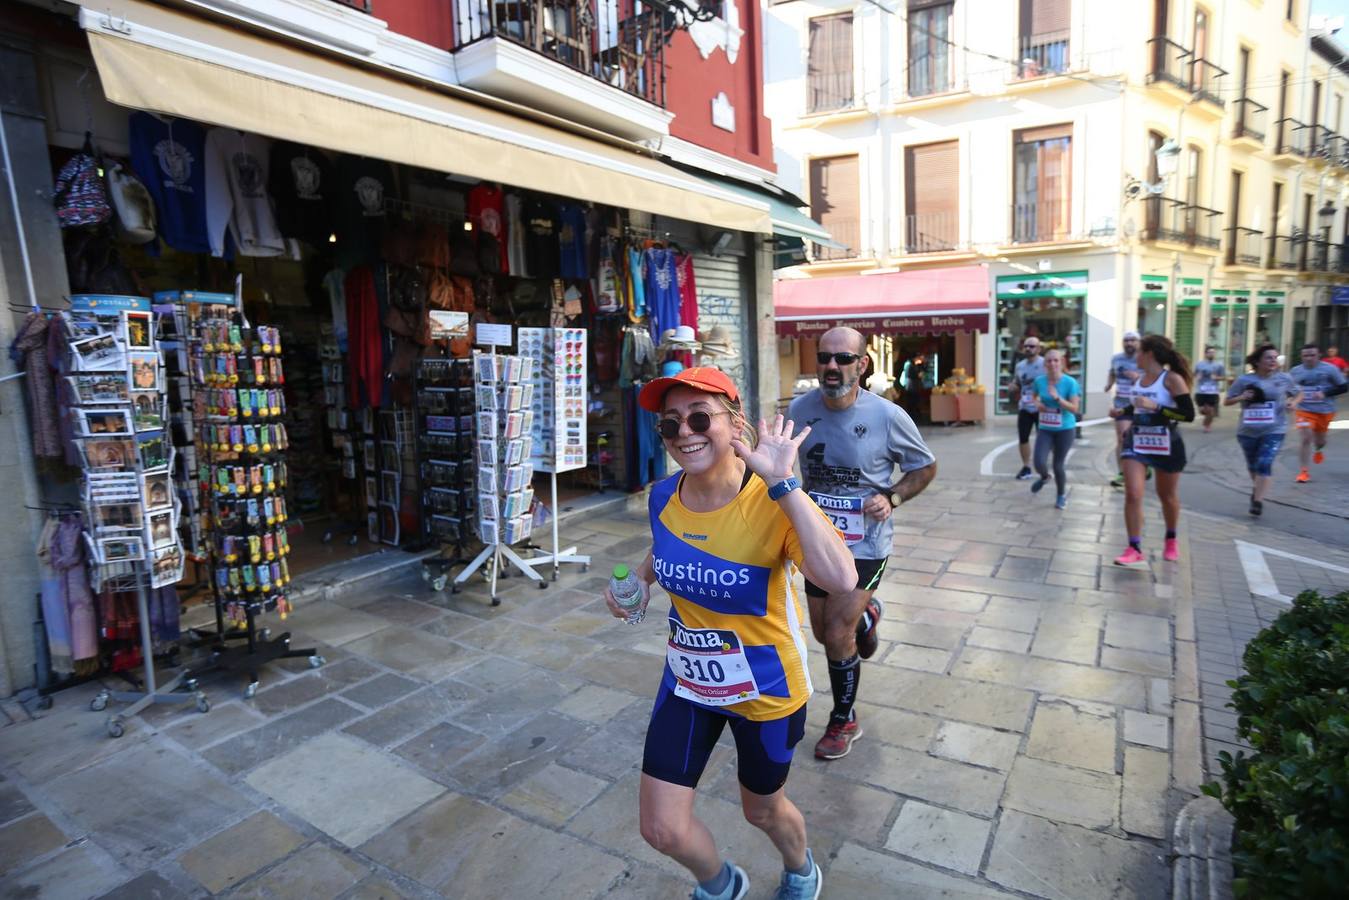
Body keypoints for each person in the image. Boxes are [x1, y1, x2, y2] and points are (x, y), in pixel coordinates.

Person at [605, 366, 855, 900]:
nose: (685, 433)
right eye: (670, 425)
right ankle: (720, 885)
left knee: (761, 809)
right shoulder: (663, 494)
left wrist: (784, 483)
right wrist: (639, 581)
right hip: (688, 680)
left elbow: (841, 578)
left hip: (765, 689)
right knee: (661, 829)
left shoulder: (772, 500)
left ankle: (800, 867)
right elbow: (669, 543)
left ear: (734, 422)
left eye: (700, 417)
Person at [789, 327, 936, 760]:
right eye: (825, 358)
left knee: (836, 633)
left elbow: (924, 468)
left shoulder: (887, 416)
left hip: (867, 542)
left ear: (862, 364)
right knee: (822, 632)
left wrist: (891, 497)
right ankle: (867, 616)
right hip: (819, 539)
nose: (832, 366)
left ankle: (843, 719)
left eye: (843, 359)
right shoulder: (800, 409)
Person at [1111, 335, 1195, 566]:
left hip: (1166, 442)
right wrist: (1122, 412)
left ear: (1149, 354)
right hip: (1137, 440)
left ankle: (1170, 538)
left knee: (1166, 496)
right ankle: (1134, 547)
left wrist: (1157, 407)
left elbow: (1188, 415)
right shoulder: (1139, 379)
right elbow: (1137, 408)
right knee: (1133, 493)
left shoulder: (1172, 379)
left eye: (1139, 352)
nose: (1135, 356)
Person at [1224, 344, 1301, 516]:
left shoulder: (1284, 378)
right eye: (1268, 358)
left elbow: (1298, 393)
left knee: (1264, 463)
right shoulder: (1244, 380)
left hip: (1275, 429)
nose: (1273, 361)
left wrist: (1293, 403)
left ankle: (1257, 502)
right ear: (1258, 361)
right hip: (1248, 431)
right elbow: (1227, 401)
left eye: (1275, 357)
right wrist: (1242, 397)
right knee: (1253, 466)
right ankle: (1257, 490)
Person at [1288, 343, 1347, 483]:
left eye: (1312, 355)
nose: (1309, 358)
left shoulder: (1330, 369)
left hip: (1325, 410)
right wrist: (1290, 399)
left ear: (1319, 355)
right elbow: (1289, 389)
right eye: (1305, 355)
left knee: (1320, 441)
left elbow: (1344, 387)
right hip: (1304, 409)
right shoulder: (1295, 371)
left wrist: (1325, 393)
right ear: (1301, 356)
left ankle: (1319, 449)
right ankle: (1304, 472)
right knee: (1305, 437)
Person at [1030, 349, 1081, 509]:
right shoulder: (1039, 381)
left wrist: (1058, 398)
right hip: (1046, 427)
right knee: (1038, 462)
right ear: (1045, 364)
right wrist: (1037, 404)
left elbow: (1074, 408)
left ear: (1062, 362)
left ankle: (1061, 496)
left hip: (1065, 429)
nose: (1052, 363)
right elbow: (1033, 397)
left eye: (1056, 360)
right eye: (1049, 361)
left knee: (1058, 465)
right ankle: (1045, 477)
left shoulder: (1070, 383)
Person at [1106, 331, 1142, 488]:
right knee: (1122, 437)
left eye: (1133, 340)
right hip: (1121, 402)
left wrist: (1137, 378)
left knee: (1141, 438)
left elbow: (1155, 378)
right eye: (1126, 340)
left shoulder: (1144, 358)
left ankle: (1143, 467)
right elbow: (1112, 372)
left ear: (1138, 342)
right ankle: (1122, 473)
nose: (1129, 343)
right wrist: (1109, 384)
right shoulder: (1116, 358)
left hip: (1141, 404)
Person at [1008, 336, 1045, 479]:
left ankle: (1043, 467)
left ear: (1039, 349)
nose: (1029, 349)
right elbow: (1017, 382)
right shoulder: (1020, 365)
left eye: (1032, 346)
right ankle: (1026, 467)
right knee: (1023, 438)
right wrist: (1013, 387)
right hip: (1025, 406)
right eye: (1026, 346)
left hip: (1041, 407)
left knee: (1044, 438)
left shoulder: (1044, 364)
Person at [1194, 346, 1226, 433]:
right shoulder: (1199, 364)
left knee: (1210, 411)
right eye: (1209, 352)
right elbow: (1194, 375)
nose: (1211, 354)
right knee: (1202, 411)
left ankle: (1207, 425)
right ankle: (1207, 419)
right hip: (1201, 391)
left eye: (1213, 352)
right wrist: (1198, 377)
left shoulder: (1219, 365)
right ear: (1205, 354)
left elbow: (1223, 377)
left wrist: (1216, 378)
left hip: (1213, 391)